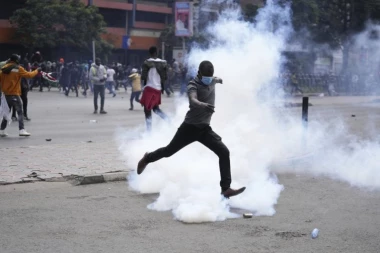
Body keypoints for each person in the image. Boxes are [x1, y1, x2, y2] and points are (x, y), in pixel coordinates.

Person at [137, 60, 246, 199]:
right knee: (168, 151)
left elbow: (216, 79)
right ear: (199, 74)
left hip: (204, 129)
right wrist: (202, 105)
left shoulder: (212, 80)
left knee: (224, 152)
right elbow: (192, 99)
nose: (208, 78)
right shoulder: (193, 85)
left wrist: (221, 80)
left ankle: (225, 189)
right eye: (206, 76)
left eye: (210, 76)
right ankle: (147, 158)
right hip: (189, 128)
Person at [0, 54, 40, 137]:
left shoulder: (4, 68)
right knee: (20, 112)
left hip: (5, 95)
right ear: (17, 60)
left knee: (6, 112)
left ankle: (2, 130)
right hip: (14, 94)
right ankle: (22, 130)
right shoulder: (18, 68)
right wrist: (37, 70)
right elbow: (29, 75)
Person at [140, 46, 168, 130]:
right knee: (156, 109)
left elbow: (143, 77)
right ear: (156, 52)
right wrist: (162, 88)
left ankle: (149, 131)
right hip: (158, 89)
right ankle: (169, 121)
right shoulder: (163, 63)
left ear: (150, 53)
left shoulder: (146, 62)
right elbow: (165, 77)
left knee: (147, 110)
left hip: (149, 88)